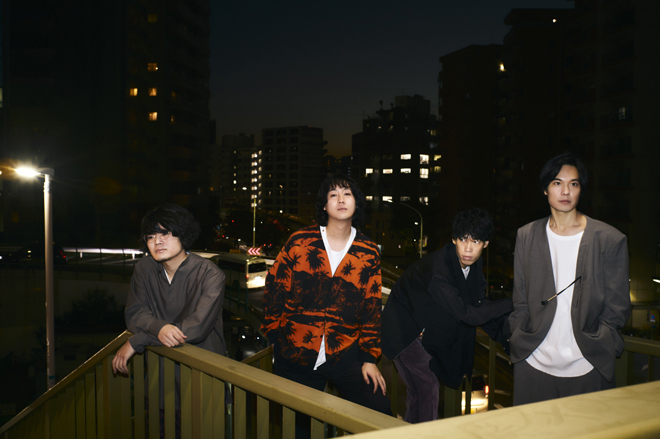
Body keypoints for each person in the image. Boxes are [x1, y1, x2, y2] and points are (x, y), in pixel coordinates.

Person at [261, 175, 391, 436]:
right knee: (298, 429)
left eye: (347, 194)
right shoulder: (300, 241)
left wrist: (369, 358)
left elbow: (371, 306)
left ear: (356, 203)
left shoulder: (368, 250)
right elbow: (275, 286)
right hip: (296, 352)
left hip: (346, 351)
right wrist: (274, 335)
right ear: (324, 204)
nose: (341, 199)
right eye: (333, 195)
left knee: (379, 412)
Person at [508, 153, 630, 405]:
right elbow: (520, 298)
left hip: (588, 366)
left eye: (573, 183)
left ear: (581, 189)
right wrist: (520, 332)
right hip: (533, 364)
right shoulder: (527, 235)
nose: (566, 191)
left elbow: (617, 308)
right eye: (557, 183)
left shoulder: (609, 239)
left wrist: (603, 343)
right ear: (545, 189)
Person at [381, 208, 512, 423]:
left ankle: (413, 433)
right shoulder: (440, 268)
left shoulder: (472, 266)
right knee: (427, 386)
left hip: (423, 326)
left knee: (421, 394)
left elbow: (479, 303)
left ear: (486, 244)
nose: (468, 248)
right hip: (402, 330)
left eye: (476, 241)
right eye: (463, 240)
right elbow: (465, 314)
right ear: (453, 239)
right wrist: (512, 303)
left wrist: (508, 335)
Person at [112, 203, 226, 375]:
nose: (157, 241)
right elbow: (135, 313)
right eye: (150, 236)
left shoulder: (210, 274)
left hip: (203, 372)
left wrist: (142, 338)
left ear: (183, 234)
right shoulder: (145, 268)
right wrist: (159, 328)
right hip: (160, 370)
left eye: (165, 233)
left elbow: (197, 328)